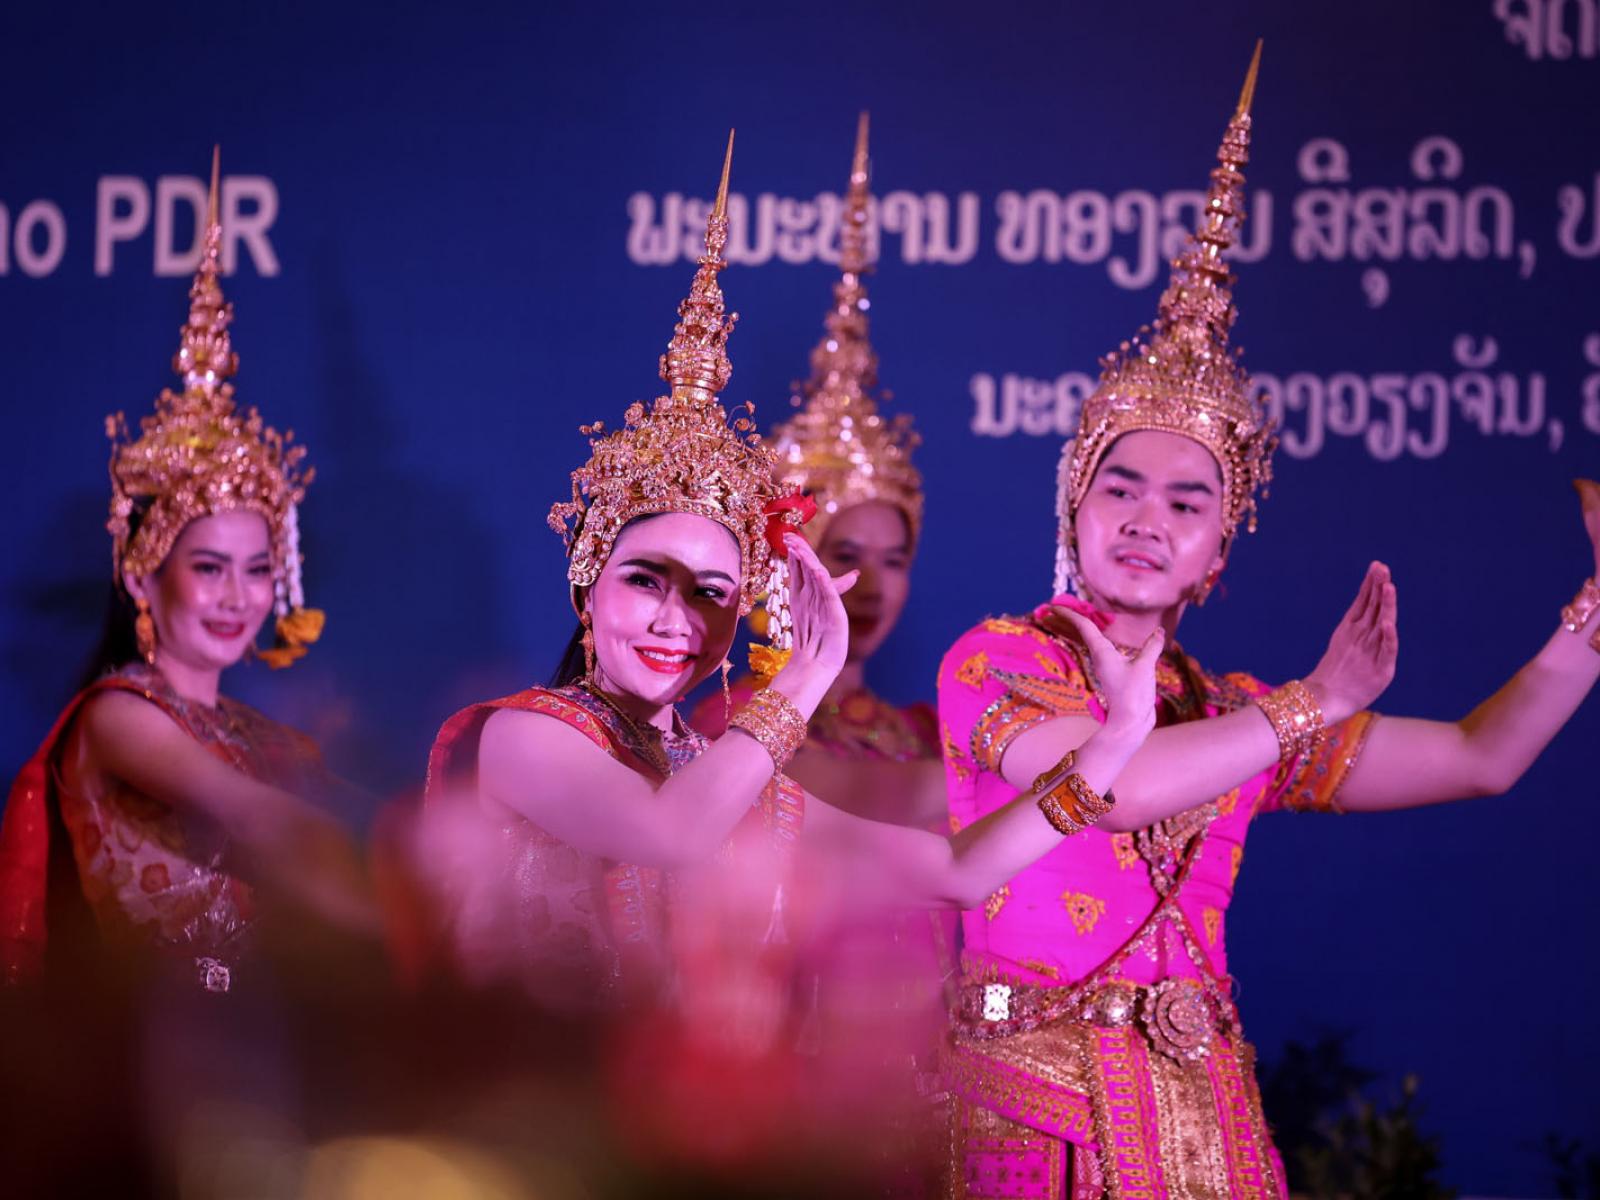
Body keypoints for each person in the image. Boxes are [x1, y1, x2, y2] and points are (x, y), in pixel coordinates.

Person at [937, 46, 1600, 1200]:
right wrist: (1316, 703)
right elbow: (1111, 783)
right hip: (1028, 1114)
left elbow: (1482, 757)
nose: (1148, 519)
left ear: (1220, 546)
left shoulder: (1229, 713)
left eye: (1187, 501)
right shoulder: (997, 660)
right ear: (1073, 507)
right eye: (1118, 488)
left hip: (1203, 1130)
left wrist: (1593, 618)